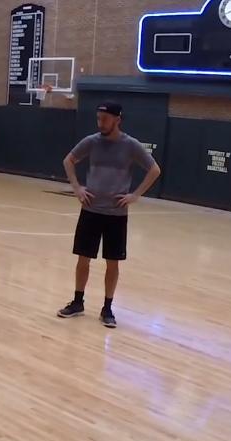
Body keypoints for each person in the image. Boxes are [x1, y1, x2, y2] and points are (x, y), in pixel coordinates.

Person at [56, 102, 161, 328]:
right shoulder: (91, 142)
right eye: (98, 118)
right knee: (83, 258)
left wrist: (135, 195)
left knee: (112, 263)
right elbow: (68, 160)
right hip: (90, 210)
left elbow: (154, 169)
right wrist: (77, 188)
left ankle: (107, 307)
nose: (100, 123)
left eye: (105, 119)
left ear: (117, 120)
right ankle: (77, 302)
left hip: (116, 215)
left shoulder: (131, 145)